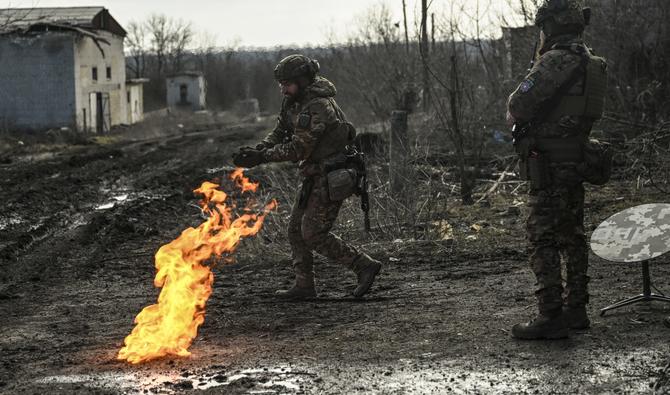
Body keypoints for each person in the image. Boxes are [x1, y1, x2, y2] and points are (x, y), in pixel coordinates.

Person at [233, 54, 381, 299]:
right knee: (294, 231)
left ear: (302, 80)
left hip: (330, 175)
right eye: (280, 84)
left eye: (287, 83)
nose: (283, 89)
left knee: (312, 234)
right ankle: (304, 286)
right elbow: (281, 131)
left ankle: (364, 265)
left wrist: (262, 158)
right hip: (313, 174)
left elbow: (299, 149)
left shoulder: (318, 106)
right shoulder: (294, 101)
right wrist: (259, 149)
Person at [506, 0, 608, 339]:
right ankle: (576, 309)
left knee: (541, 237)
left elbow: (518, 106)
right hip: (575, 158)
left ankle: (550, 315)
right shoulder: (592, 62)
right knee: (572, 234)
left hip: (549, 162)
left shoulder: (554, 61)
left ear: (550, 27)